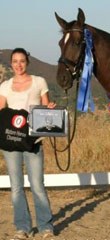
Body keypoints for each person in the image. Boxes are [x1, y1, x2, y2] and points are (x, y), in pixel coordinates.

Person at [0, 48, 56, 239]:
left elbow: (44, 107)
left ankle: (45, 226)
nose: (18, 64)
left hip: (33, 140)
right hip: (11, 141)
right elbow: (1, 112)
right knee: (16, 186)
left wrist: (49, 108)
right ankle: (22, 227)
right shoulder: (5, 86)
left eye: (22, 61)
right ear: (11, 63)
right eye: (15, 61)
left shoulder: (39, 82)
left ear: (27, 62)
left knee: (37, 184)